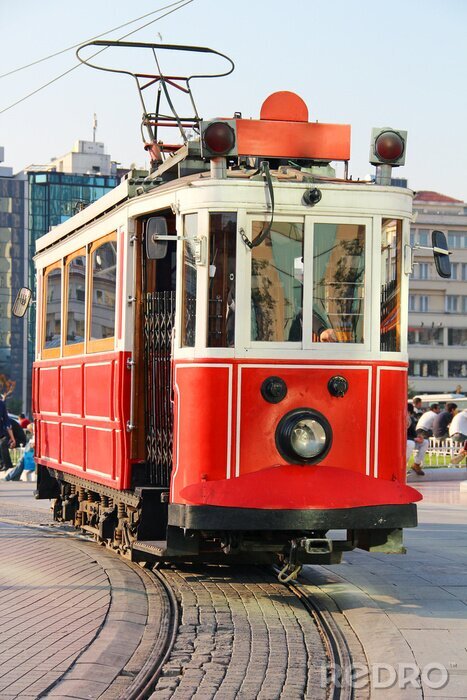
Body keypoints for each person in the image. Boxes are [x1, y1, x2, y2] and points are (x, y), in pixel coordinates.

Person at [407, 403, 428, 476]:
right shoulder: (397, 418)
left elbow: (413, 433)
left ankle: (416, 464)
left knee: (425, 442)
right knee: (410, 443)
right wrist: (414, 438)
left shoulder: (411, 419)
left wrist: (419, 437)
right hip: (399, 442)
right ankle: (402, 467)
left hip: (409, 440)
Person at [0, 399, 15, 471]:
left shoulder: (2, 404)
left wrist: (12, 438)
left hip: (2, 432)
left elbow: (6, 420)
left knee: (3, 445)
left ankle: (6, 464)